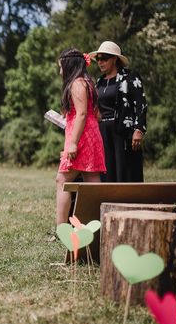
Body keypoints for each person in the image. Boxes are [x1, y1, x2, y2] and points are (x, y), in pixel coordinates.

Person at [55, 49, 106, 225]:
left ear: (69, 65)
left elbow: (83, 114)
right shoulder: (88, 83)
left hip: (82, 138)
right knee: (91, 181)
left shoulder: (76, 84)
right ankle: (99, 224)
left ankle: (61, 228)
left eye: (61, 67)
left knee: (62, 180)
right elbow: (95, 115)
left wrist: (73, 143)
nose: (61, 71)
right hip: (92, 135)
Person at [89, 41, 147, 182]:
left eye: (104, 58)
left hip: (122, 129)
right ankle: (109, 199)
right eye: (98, 59)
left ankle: (128, 200)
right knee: (107, 169)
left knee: (125, 169)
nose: (100, 62)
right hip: (103, 130)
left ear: (115, 59)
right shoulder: (99, 81)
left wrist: (139, 129)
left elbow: (141, 104)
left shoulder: (130, 77)